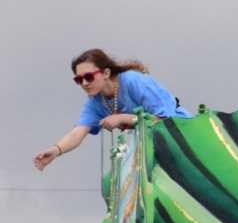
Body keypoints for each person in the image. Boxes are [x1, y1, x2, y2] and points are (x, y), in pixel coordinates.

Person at [33, 49, 189, 171]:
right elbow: (77, 133)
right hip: (153, 151)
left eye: (89, 76)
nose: (85, 83)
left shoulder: (132, 81)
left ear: (106, 73)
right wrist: (56, 150)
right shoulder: (95, 103)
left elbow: (166, 121)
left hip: (183, 135)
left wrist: (123, 119)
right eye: (79, 80)